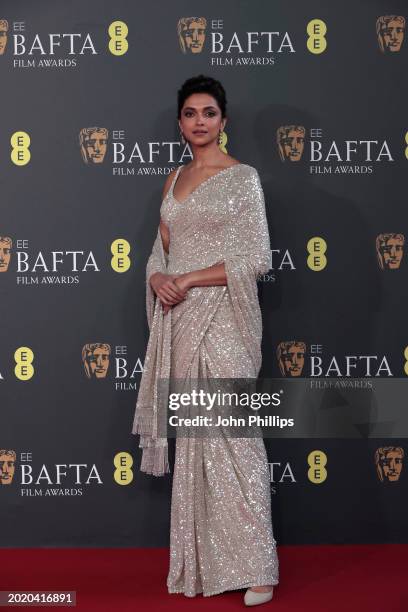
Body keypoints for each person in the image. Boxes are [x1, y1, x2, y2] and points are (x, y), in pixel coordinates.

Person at [132, 74, 279, 606]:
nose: (200, 121)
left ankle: (259, 566)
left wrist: (189, 279)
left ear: (224, 121)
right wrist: (156, 278)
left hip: (224, 320)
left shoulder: (242, 179)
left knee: (235, 442)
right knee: (199, 446)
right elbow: (160, 250)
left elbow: (255, 257)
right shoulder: (173, 179)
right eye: (191, 113)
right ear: (180, 123)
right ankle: (207, 562)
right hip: (180, 321)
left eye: (209, 113)